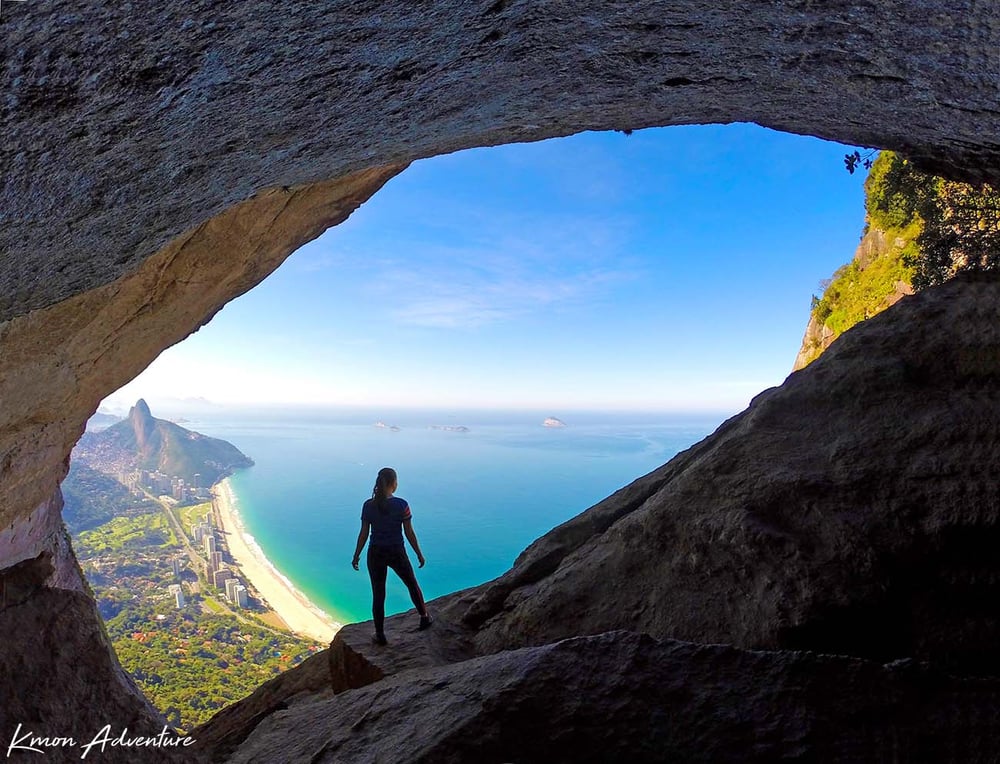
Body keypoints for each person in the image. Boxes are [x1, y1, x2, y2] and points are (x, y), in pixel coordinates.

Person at [351, 467, 432, 645]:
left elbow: (363, 533)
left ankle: (380, 635)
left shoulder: (368, 505)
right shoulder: (402, 505)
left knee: (378, 594)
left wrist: (356, 555)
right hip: (397, 551)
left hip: (375, 553)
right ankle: (424, 617)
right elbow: (409, 532)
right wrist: (419, 553)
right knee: (412, 584)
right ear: (393, 484)